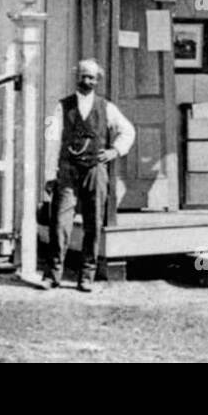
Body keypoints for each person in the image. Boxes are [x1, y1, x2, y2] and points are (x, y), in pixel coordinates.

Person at [43, 59, 135, 292]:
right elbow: (52, 141)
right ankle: (52, 275)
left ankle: (87, 277)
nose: (87, 81)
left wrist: (114, 151)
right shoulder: (61, 106)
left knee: (93, 223)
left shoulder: (106, 107)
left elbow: (128, 131)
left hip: (95, 170)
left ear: (97, 81)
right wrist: (49, 174)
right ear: (77, 77)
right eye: (84, 76)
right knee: (60, 223)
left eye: (92, 77)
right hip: (68, 171)